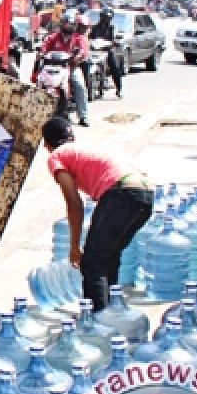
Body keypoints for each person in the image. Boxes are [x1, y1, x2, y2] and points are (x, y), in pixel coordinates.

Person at [41, 116, 153, 311]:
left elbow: (73, 202)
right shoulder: (84, 150)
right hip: (145, 194)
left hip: (121, 193)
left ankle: (95, 326)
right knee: (109, 257)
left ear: (46, 144)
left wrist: (74, 247)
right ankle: (111, 313)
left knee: (93, 262)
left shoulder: (57, 156)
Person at [37, 10, 90, 126]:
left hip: (70, 67)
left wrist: (78, 57)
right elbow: (44, 46)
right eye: (65, 23)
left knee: (79, 85)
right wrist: (41, 52)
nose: (67, 26)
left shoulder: (78, 38)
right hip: (51, 67)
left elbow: (83, 50)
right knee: (39, 82)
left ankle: (83, 116)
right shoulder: (53, 37)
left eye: (70, 24)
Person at [88, 7, 123, 98]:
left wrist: (114, 43)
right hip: (95, 51)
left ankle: (119, 89)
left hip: (107, 51)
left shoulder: (112, 28)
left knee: (114, 67)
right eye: (103, 17)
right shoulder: (95, 28)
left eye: (107, 18)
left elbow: (115, 39)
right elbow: (89, 37)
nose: (105, 19)